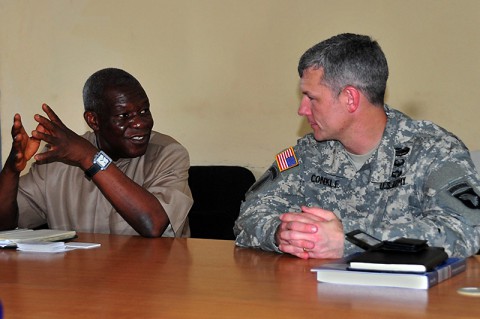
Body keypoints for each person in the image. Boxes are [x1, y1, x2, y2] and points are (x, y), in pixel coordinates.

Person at [234, 33, 480, 259]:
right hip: (319, 295)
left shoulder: (433, 150)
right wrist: (284, 234)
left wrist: (350, 240)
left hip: (407, 299)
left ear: (350, 98)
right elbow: (249, 215)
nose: (302, 110)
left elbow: (466, 228)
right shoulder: (308, 153)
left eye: (312, 98)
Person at [0, 68, 193, 237]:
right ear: (94, 121)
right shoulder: (57, 162)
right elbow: (4, 225)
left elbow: (153, 224)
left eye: (144, 111)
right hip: (77, 276)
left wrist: (90, 157)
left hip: (154, 276)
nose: (140, 123)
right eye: (124, 116)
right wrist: (11, 169)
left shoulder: (168, 154)